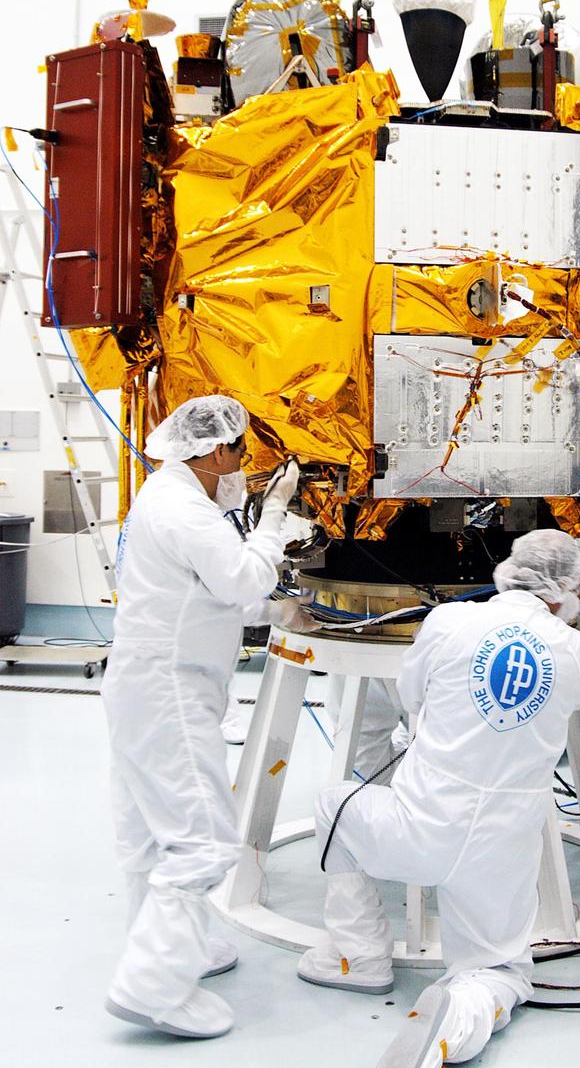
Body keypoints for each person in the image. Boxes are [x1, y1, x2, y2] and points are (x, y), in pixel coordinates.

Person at [297, 530, 580, 1067]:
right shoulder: (577, 653)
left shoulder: (450, 622)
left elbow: (412, 698)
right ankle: (457, 1020)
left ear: (509, 572)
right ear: (565, 591)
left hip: (418, 827)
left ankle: (360, 955)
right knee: (497, 969)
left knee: (334, 805)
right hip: (503, 846)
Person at [101, 394, 299, 1038]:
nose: (244, 464)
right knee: (204, 841)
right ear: (216, 451)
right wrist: (273, 518)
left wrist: (281, 616)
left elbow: (209, 597)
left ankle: (165, 946)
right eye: (241, 451)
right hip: (170, 693)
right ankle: (151, 986)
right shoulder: (187, 509)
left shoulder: (166, 497)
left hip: (141, 684)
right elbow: (243, 580)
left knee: (148, 833)